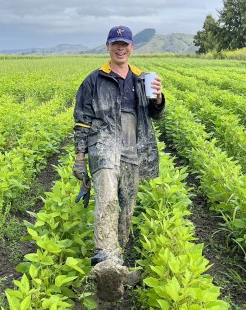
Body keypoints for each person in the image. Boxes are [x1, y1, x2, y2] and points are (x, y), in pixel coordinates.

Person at [72, 25, 165, 301]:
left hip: (132, 146)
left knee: (127, 204)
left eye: (125, 44)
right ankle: (105, 262)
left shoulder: (140, 79)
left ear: (132, 48)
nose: (120, 48)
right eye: (115, 43)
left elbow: (155, 114)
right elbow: (81, 121)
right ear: (108, 47)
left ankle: (117, 265)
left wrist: (158, 98)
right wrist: (80, 158)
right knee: (108, 199)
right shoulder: (94, 79)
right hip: (103, 145)